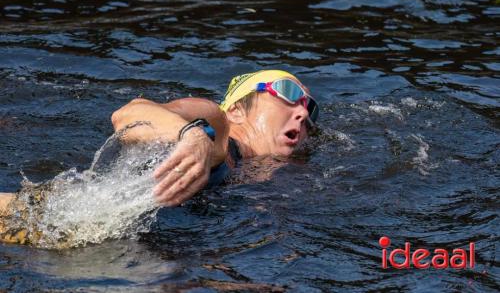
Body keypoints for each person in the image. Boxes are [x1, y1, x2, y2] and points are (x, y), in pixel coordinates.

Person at [0, 69, 319, 245]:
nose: (302, 112)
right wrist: (193, 137)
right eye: (288, 93)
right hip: (69, 223)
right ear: (235, 109)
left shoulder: (267, 180)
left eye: (310, 107)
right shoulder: (218, 124)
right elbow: (130, 115)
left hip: (96, 240)